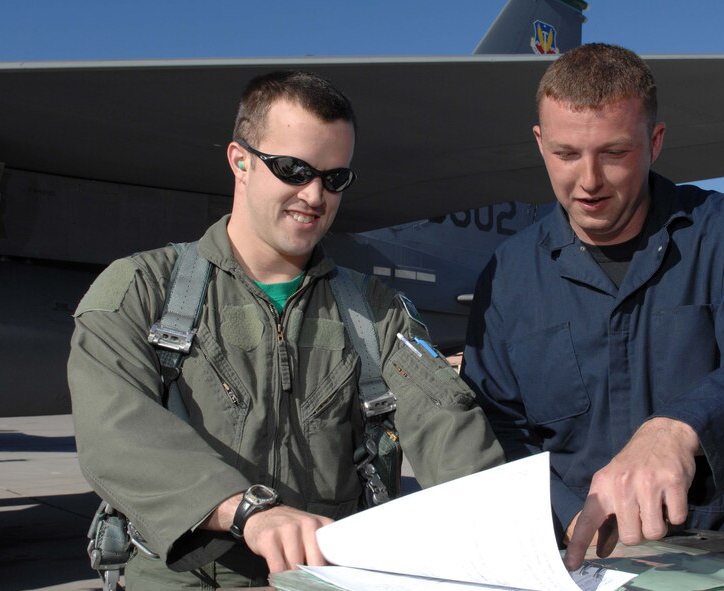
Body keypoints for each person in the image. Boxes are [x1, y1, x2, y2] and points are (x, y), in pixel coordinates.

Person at [68, 70, 504, 588]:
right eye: (293, 170)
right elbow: (114, 432)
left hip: (321, 576)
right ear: (240, 161)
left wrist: (505, 531)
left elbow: (448, 426)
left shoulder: (377, 313)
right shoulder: (143, 290)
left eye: (334, 178)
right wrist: (244, 510)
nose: (315, 195)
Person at [460, 43, 724, 571]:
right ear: (539, 143)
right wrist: (573, 515)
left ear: (655, 141)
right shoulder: (509, 274)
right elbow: (496, 426)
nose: (588, 181)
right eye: (565, 154)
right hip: (575, 561)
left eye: (613, 153)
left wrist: (676, 430)